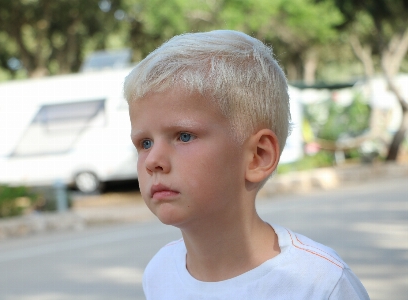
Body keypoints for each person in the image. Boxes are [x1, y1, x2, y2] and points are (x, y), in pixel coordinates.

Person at [124, 30, 369, 299]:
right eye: (145, 143)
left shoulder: (320, 284)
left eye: (184, 136)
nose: (153, 161)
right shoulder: (159, 273)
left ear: (258, 156)